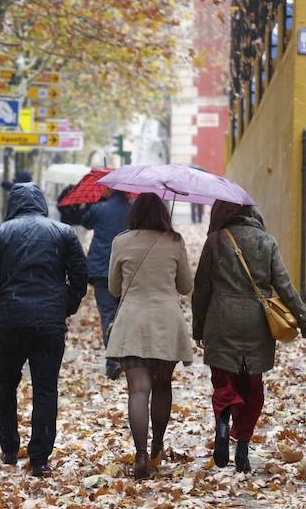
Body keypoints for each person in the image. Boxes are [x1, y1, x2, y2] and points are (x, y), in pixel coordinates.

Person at [192, 201, 306, 474]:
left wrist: (198, 329)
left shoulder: (215, 241)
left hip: (221, 320)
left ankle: (222, 426)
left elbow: (201, 288)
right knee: (252, 386)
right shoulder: (266, 241)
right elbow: (284, 285)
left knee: (224, 381)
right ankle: (243, 446)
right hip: (257, 323)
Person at [0, 183, 88, 477]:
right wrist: (65, 307)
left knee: (6, 383)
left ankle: (9, 448)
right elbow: (79, 276)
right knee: (46, 388)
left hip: (10, 320)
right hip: (49, 321)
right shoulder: (63, 233)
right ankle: (39, 458)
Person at [106, 193, 193, 480]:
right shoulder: (174, 241)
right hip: (166, 324)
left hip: (133, 324)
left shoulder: (121, 241)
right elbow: (185, 286)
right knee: (162, 385)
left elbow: (114, 288)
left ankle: (140, 454)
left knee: (138, 390)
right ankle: (157, 446)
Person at [81, 188, 130, 379]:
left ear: (110, 189)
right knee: (124, 315)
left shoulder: (100, 208)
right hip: (127, 269)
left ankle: (113, 361)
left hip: (102, 268)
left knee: (108, 315)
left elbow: (85, 222)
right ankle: (126, 358)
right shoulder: (133, 210)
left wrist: (96, 202)